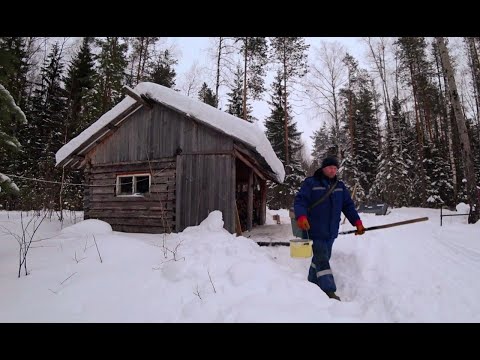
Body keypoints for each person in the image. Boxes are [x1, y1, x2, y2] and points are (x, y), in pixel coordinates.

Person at [293, 156, 365, 301]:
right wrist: (301, 216)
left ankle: (311, 283)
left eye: (335, 168)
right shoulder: (311, 183)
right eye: (330, 167)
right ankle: (329, 291)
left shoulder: (340, 186)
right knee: (322, 260)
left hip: (331, 232)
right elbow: (300, 201)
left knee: (321, 259)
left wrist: (357, 222)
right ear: (323, 168)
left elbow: (348, 206)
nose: (333, 170)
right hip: (314, 229)